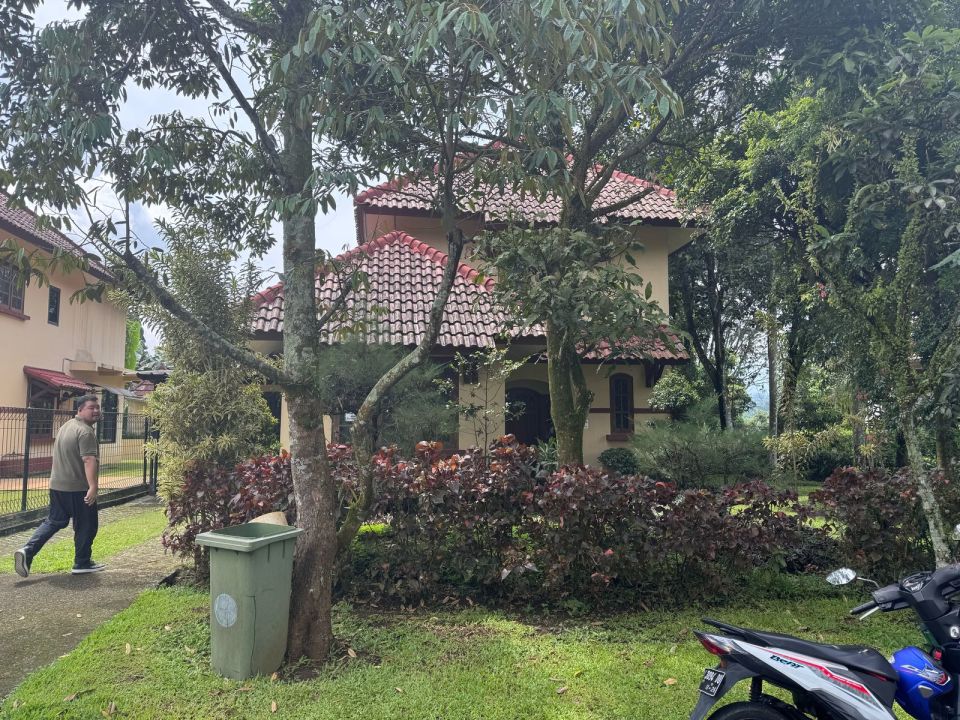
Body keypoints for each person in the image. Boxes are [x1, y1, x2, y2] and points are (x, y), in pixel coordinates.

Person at [13, 394, 105, 577]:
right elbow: (88, 459)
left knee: (55, 521)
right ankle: (82, 563)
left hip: (57, 486)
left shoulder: (66, 426)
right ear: (80, 409)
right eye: (91, 408)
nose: (96, 411)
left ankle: (27, 551)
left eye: (97, 407)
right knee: (87, 525)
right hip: (78, 488)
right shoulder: (85, 431)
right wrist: (93, 487)